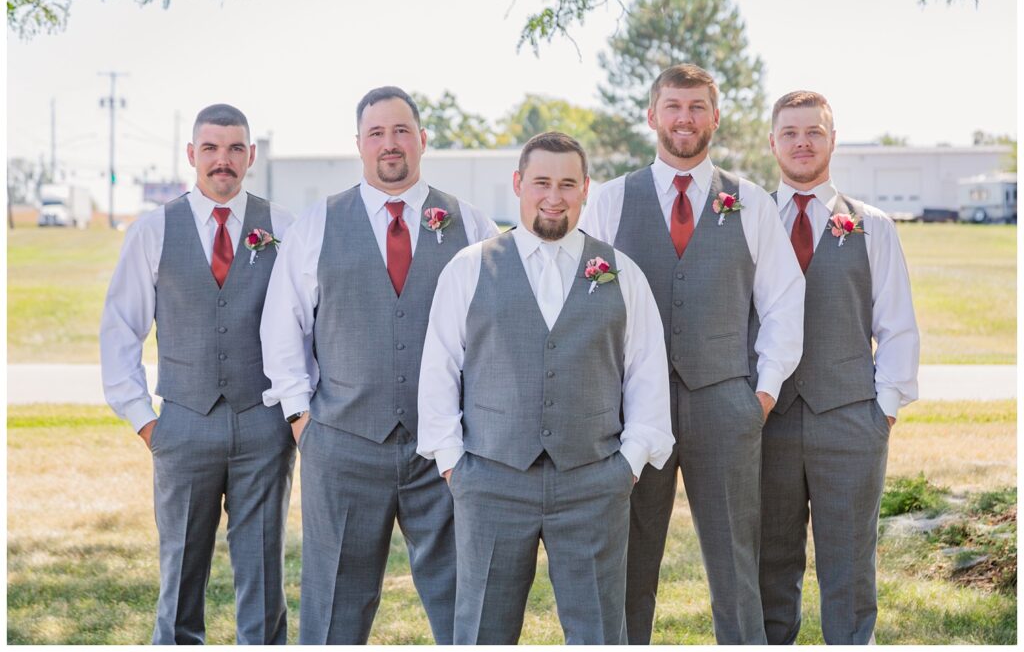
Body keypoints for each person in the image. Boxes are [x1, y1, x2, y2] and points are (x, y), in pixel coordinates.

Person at [260, 86, 498, 644]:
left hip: (443, 447)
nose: (389, 144)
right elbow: (282, 325)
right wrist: (301, 420)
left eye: (400, 131)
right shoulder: (318, 223)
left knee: (465, 598)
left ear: (422, 139)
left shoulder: (473, 225)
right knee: (334, 605)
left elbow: (497, 332)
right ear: (359, 145)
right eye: (376, 133)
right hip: (341, 444)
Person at [578, 63, 805, 644]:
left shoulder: (749, 202)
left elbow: (782, 301)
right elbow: (584, 301)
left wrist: (762, 394)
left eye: (697, 106)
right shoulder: (608, 200)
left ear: (716, 116)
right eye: (674, 106)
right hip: (634, 410)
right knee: (629, 556)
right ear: (652, 115)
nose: (685, 118)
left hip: (726, 403)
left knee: (736, 561)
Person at [418, 131, 674, 644]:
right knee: (481, 632)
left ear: (585, 190)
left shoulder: (622, 272)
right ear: (518, 184)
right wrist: (453, 464)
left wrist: (627, 465)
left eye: (566, 184)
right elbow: (440, 368)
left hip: (592, 482)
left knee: (600, 631)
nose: (553, 196)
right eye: (541, 182)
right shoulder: (470, 267)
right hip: (491, 480)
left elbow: (646, 372)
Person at [100, 104, 296, 644]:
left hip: (264, 426)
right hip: (183, 424)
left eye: (235, 148)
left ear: (251, 155)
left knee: (263, 577)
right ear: (191, 155)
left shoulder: (284, 227)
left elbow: (310, 327)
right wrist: (147, 423)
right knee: (180, 575)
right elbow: (120, 331)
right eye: (210, 148)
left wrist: (294, 414)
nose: (223, 160)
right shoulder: (153, 231)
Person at [760, 90, 919, 644]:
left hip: (851, 420)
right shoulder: (748, 221)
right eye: (790, 132)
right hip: (767, 420)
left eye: (815, 132)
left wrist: (885, 412)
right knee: (769, 563)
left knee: (849, 566)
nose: (802, 142)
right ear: (772, 141)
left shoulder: (872, 225)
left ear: (833, 139)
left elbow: (896, 324)